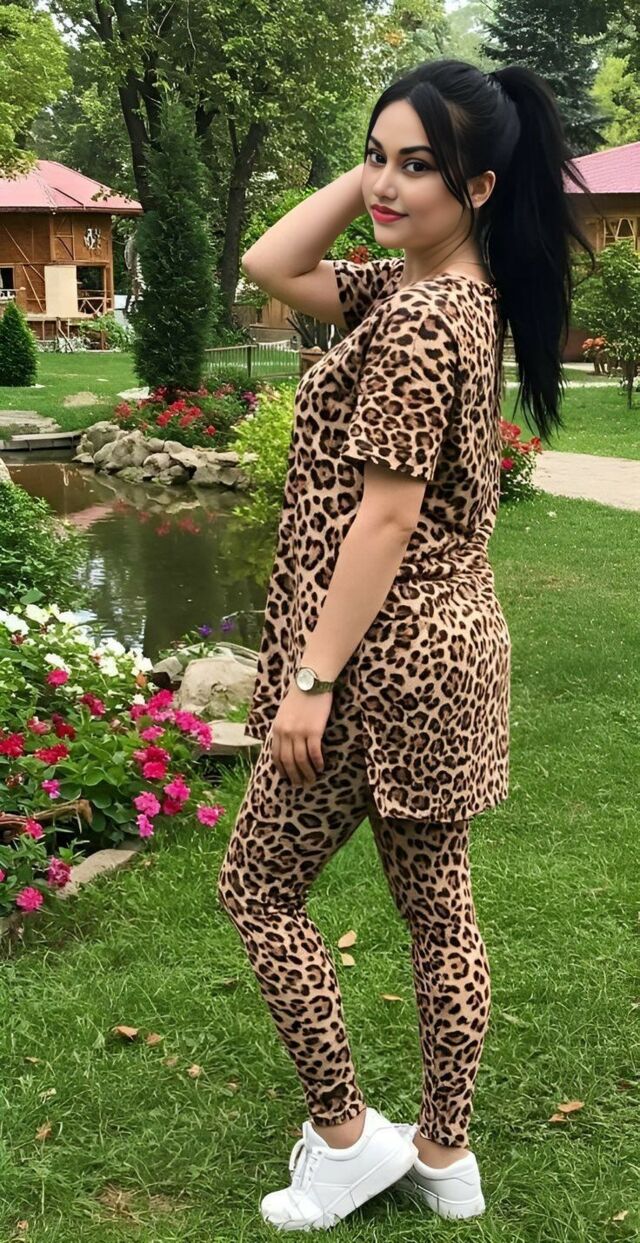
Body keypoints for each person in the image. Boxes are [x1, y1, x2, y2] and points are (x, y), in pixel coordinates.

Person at [217, 57, 597, 1231]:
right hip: (448, 652)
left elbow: (384, 518)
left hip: (382, 658)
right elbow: (270, 264)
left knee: (256, 888)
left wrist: (311, 681)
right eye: (374, 155)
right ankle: (444, 1154)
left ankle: (346, 1140)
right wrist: (388, 175)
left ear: (477, 187)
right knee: (439, 910)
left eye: (418, 166)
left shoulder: (424, 318)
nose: (383, 184)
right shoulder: (429, 291)